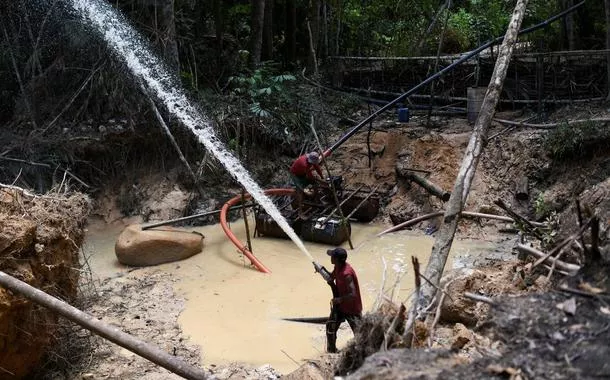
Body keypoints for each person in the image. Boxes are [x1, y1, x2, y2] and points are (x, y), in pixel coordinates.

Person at [325, 247, 362, 353]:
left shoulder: (347, 274)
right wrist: (321, 270)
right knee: (330, 328)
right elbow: (331, 277)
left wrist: (339, 299)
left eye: (332, 256)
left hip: (352, 308)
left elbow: (353, 294)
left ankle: (360, 354)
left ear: (336, 259)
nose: (330, 257)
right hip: (340, 306)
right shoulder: (337, 267)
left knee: (359, 334)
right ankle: (331, 351)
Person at [289, 151, 325, 218]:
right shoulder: (304, 164)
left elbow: (317, 168)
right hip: (295, 175)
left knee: (314, 184)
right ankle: (300, 212)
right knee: (301, 191)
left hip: (302, 173)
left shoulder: (312, 159)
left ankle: (316, 200)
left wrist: (322, 177)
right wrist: (320, 181)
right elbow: (310, 176)